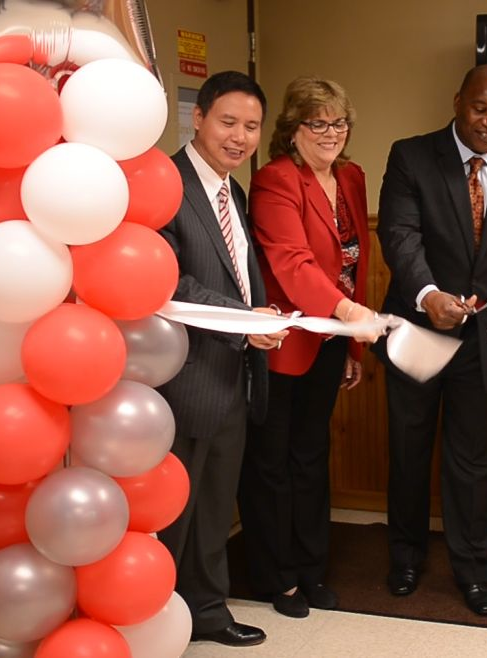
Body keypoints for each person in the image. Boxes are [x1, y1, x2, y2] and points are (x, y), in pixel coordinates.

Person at [375, 64, 487, 616]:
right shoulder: (412, 155)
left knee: (471, 461)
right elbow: (399, 234)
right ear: (458, 102)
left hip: (482, 340)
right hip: (417, 332)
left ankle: (473, 570)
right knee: (410, 453)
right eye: (482, 109)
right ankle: (405, 557)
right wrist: (428, 293)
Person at [238, 76, 380, 619]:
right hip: (284, 341)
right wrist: (347, 316)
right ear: (292, 130)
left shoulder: (351, 177)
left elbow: (355, 262)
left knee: (311, 455)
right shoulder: (276, 180)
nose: (329, 133)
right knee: (271, 464)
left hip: (331, 343)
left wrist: (350, 346)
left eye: (338, 122)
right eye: (316, 123)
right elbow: (291, 263)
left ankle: (312, 567)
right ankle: (278, 578)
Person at [157, 70, 287, 648]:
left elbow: (233, 274)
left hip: (232, 376)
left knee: (213, 510)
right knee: (170, 517)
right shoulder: (164, 183)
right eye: (228, 122)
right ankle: (156, 620)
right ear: (199, 118)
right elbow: (167, 280)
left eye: (252, 126)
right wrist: (244, 322)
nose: (239, 137)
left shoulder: (231, 188)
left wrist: (262, 314)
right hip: (181, 378)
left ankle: (207, 612)